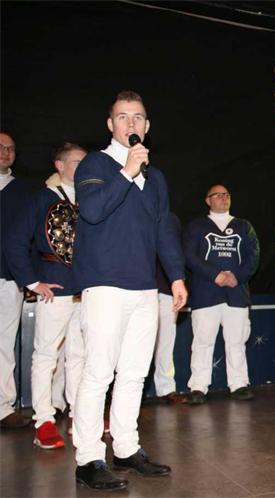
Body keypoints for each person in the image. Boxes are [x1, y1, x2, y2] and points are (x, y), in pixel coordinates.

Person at [72, 90, 187, 490]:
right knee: (98, 372)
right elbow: (91, 211)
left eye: (137, 117)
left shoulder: (156, 178)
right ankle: (88, 459)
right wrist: (127, 172)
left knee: (135, 373)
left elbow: (163, 231)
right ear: (110, 124)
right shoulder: (95, 164)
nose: (131, 123)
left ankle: (125, 447)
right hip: (104, 285)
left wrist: (176, 276)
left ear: (147, 125)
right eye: (123, 117)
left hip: (144, 288)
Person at [5, 143, 87, 448]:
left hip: (86, 289)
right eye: (76, 162)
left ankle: (79, 414)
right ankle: (44, 421)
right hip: (55, 285)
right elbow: (14, 241)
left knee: (80, 355)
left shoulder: (91, 199)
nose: (82, 167)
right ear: (60, 165)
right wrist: (32, 280)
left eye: (85, 162)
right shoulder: (42, 198)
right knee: (46, 355)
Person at [184, 185, 259, 405]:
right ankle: (198, 387)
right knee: (202, 341)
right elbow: (189, 255)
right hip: (205, 293)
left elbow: (253, 256)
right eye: (218, 195)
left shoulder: (244, 226)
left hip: (236, 294)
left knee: (237, 340)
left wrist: (237, 276)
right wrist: (214, 274)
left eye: (226, 194)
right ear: (208, 200)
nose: (223, 198)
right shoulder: (196, 226)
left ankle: (239, 384)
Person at [0, 131, 32, 430]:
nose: (5, 152)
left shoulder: (22, 192)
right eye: (0, 147)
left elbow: (29, 238)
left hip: (8, 278)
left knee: (4, 343)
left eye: (10, 148)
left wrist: (28, 277)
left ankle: (3, 407)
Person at [151, 213, 186, 404]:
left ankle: (166, 388)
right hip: (138, 286)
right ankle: (121, 390)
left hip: (166, 287)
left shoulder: (171, 219)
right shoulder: (131, 209)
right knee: (131, 341)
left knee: (166, 340)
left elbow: (176, 251)